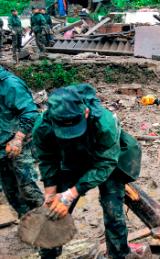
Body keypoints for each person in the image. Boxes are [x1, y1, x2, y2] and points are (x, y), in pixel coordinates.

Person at [33, 84, 142, 259]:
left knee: (113, 213)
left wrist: (71, 194)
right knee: (52, 214)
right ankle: (48, 254)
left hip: (104, 160)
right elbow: (47, 159)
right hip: (69, 161)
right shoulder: (43, 126)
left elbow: (106, 163)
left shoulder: (104, 122)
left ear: (85, 113)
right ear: (52, 118)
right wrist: (50, 192)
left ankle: (119, 254)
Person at [0, 66, 44, 219]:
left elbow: (30, 112)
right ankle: (29, 224)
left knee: (28, 189)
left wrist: (18, 138)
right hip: (1, 147)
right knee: (10, 191)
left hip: (19, 144)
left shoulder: (10, 85)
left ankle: (48, 228)